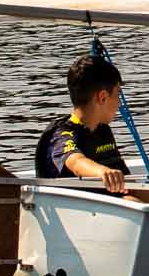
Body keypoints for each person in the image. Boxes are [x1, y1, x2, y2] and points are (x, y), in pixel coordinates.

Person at [36, 53, 134, 193]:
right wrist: (102, 172)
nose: (120, 103)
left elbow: (130, 186)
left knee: (132, 198)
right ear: (103, 97)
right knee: (132, 201)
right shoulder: (62, 135)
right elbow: (76, 162)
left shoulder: (103, 131)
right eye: (118, 94)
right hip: (72, 210)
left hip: (106, 207)